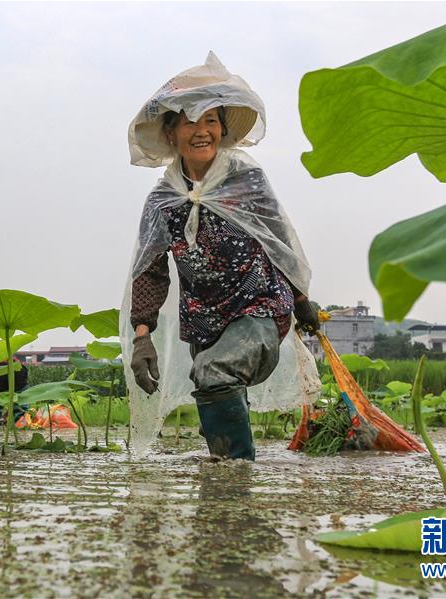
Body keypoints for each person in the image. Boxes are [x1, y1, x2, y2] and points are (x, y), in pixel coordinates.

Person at [124, 52, 320, 461]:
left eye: (211, 121)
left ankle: (235, 475)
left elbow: (278, 238)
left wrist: (301, 300)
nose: (202, 131)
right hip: (203, 318)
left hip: (259, 307)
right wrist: (142, 335)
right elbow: (150, 269)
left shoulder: (245, 179)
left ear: (222, 130)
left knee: (214, 374)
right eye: (190, 121)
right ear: (172, 133)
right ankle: (226, 494)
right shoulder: (162, 201)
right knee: (218, 387)